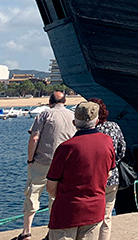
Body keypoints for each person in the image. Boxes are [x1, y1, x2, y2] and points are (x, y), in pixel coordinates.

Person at [46, 102, 115, 240]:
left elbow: (51, 186)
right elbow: (108, 172)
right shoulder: (107, 142)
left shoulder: (66, 148)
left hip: (67, 211)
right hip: (94, 209)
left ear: (74, 122)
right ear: (96, 121)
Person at [13, 91, 76, 240]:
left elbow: (34, 138)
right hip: (64, 163)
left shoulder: (44, 115)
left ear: (50, 102)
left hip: (43, 161)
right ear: (65, 101)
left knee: (32, 194)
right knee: (55, 198)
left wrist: (30, 159)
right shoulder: (72, 115)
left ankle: (26, 232)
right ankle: (53, 231)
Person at [87, 98, 126, 240]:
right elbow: (122, 149)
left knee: (91, 216)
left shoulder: (89, 130)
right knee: (107, 216)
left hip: (92, 176)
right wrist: (113, 163)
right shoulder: (114, 126)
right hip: (112, 176)